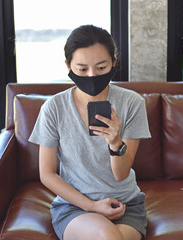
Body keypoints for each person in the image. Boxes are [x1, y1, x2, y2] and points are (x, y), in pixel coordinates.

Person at [29, 25, 151, 240]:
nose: (92, 75)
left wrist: (115, 144)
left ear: (114, 62)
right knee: (109, 237)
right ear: (68, 66)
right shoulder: (54, 108)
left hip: (126, 205)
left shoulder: (132, 103)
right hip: (76, 207)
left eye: (101, 67)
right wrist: (92, 206)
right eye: (82, 69)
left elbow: (121, 174)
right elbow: (46, 174)